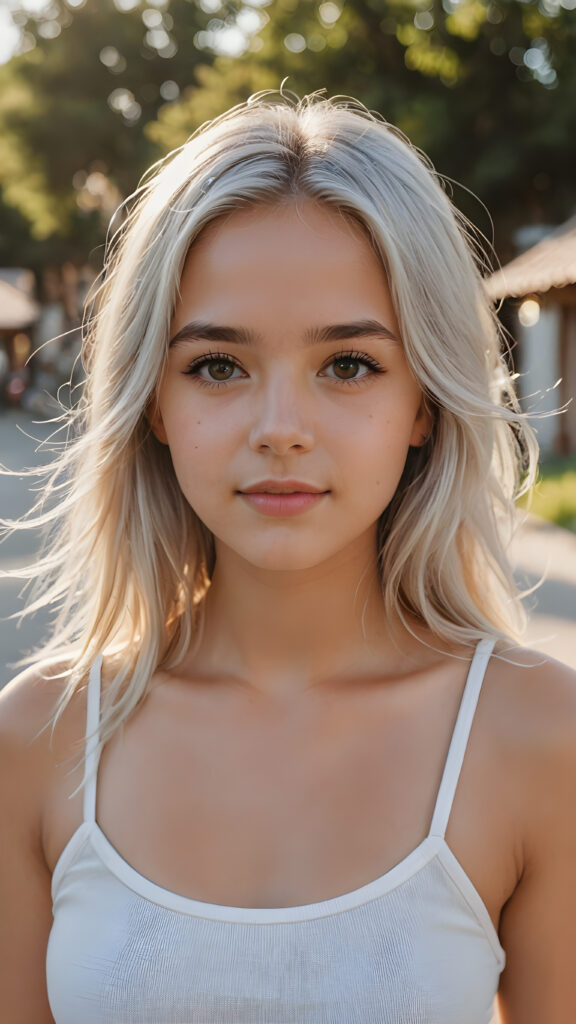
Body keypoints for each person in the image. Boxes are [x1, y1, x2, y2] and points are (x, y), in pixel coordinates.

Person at [1, 91, 575, 1024]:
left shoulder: (541, 737)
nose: (280, 431)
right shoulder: (37, 740)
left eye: (348, 364)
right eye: (218, 366)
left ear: (424, 399)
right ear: (153, 399)